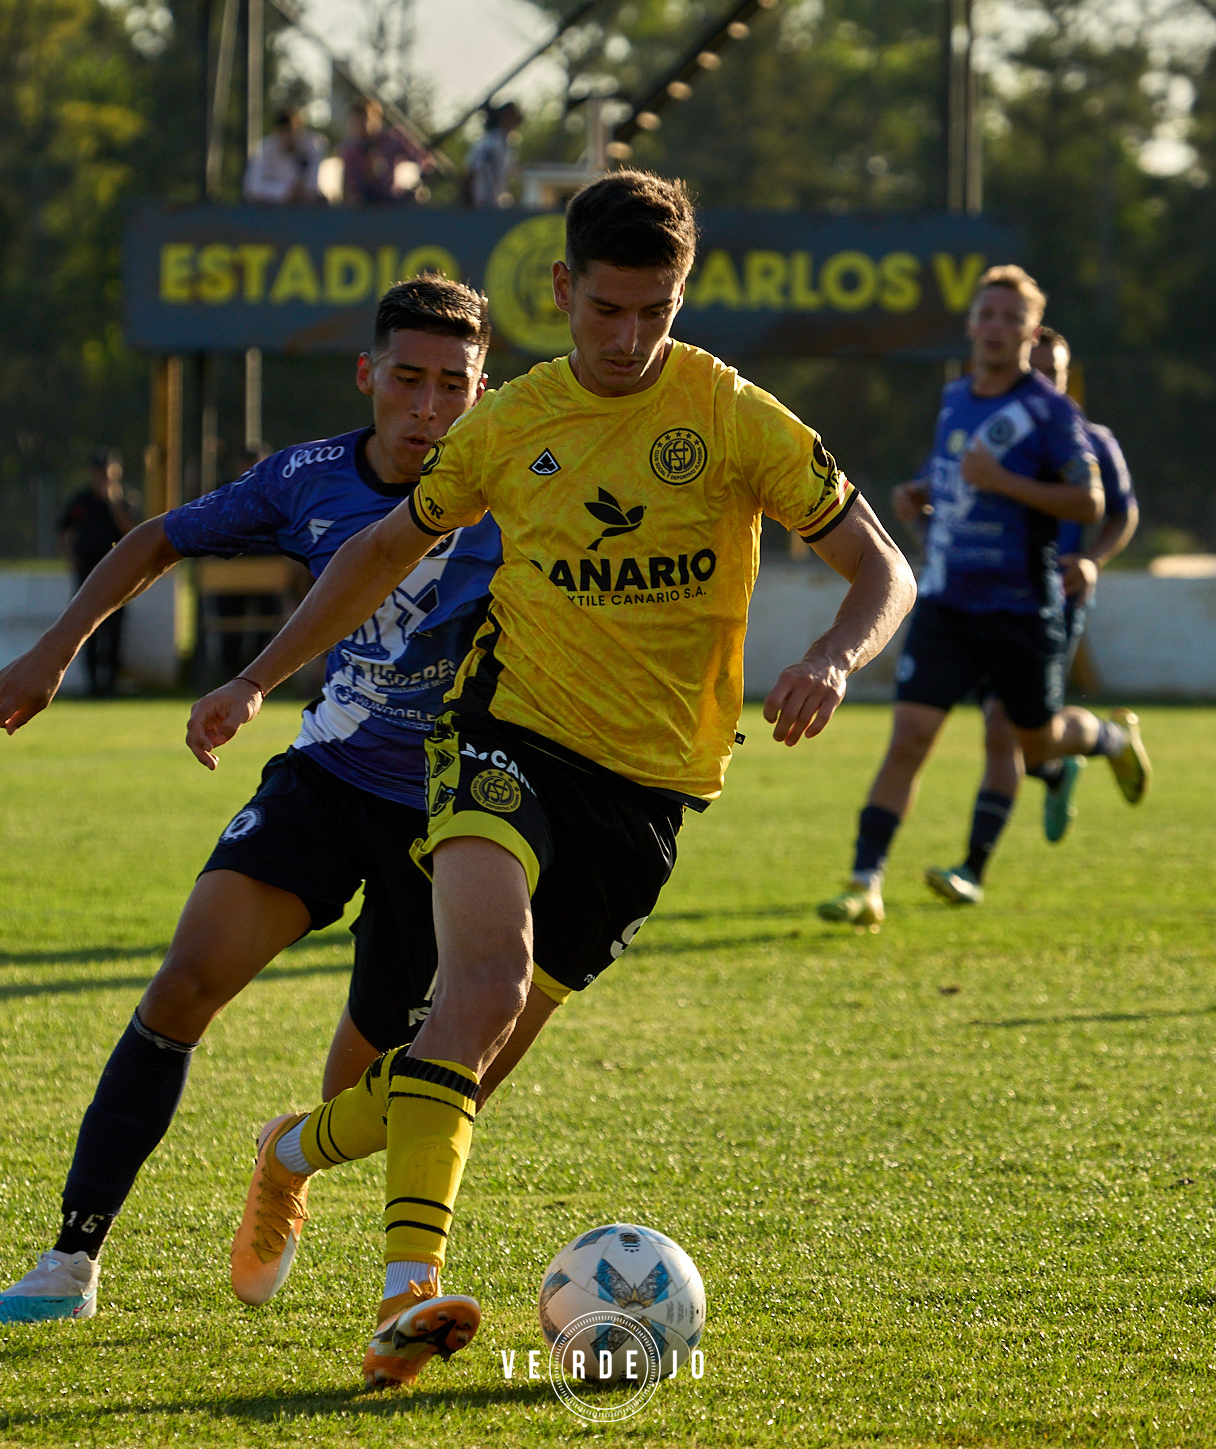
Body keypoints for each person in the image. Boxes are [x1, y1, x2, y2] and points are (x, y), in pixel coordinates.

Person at [185, 170, 915, 1390]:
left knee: (457, 1065)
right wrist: (258, 676)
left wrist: (837, 656)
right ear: (563, 290)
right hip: (505, 735)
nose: (630, 340)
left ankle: (292, 1151)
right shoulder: (506, 423)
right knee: (483, 977)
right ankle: (404, 1302)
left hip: (654, 793)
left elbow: (879, 566)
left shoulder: (733, 417)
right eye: (607, 310)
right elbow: (377, 549)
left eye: (657, 312)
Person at [0, 276, 510, 1327]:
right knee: (183, 984)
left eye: (453, 385)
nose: (428, 409)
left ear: (482, 391)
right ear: (368, 376)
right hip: (329, 776)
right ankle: (68, 1266)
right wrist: (51, 651)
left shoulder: (519, 488)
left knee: (375, 1094)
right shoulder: (306, 478)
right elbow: (156, 536)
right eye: (407, 379)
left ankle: (285, 1160)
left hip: (454, 822)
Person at [818, 266, 1149, 930]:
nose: (995, 327)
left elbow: (1089, 501)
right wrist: (920, 495)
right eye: (986, 315)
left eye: (1010, 318)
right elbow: (955, 482)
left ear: (1029, 330)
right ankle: (864, 883)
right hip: (946, 601)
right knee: (909, 736)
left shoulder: (1053, 413)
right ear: (972, 325)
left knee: (1034, 743)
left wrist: (1002, 480)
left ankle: (1108, 738)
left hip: (1022, 607)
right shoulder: (956, 400)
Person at [939, 327, 1142, 898]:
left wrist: (1095, 561)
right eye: (1038, 367)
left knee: (1003, 728)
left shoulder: (1090, 440)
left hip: (1052, 603)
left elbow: (1121, 515)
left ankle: (972, 869)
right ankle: (1093, 749)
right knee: (1029, 741)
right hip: (985, 600)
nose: (1046, 380)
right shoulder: (992, 437)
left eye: (1056, 371)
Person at [57, 453, 139, 697]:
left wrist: (113, 502)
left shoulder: (125, 501)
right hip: (87, 573)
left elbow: (132, 532)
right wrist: (70, 556)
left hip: (117, 575)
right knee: (85, 629)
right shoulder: (81, 500)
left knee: (114, 630)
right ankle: (92, 685)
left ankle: (110, 684)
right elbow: (62, 529)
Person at [338, 97, 429, 205]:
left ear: (377, 119)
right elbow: (353, 186)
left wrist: (408, 177)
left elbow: (424, 161)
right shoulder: (350, 150)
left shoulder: (395, 139)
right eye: (356, 122)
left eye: (365, 120)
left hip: (400, 202)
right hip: (366, 206)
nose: (361, 126)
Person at [244, 107, 329, 205]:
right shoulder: (265, 149)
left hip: (305, 210)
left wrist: (303, 191)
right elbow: (252, 187)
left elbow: (314, 186)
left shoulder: (314, 146)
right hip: (270, 212)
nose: (289, 136)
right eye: (284, 131)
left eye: (293, 131)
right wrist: (286, 191)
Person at [462, 101, 522, 208]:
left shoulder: (507, 143)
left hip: (497, 202)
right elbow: (471, 173)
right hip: (482, 202)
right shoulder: (490, 142)